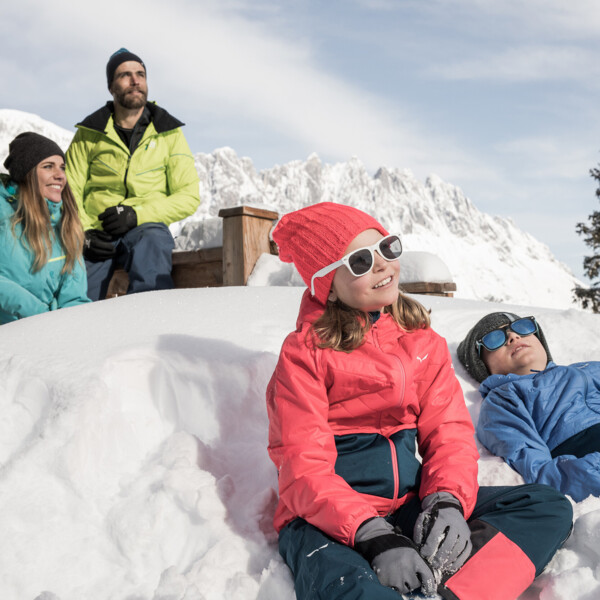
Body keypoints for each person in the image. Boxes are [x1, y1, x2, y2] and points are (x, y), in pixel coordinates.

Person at [266, 202, 572, 600]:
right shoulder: (304, 355)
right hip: (325, 519)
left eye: (387, 248)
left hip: (409, 504)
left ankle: (456, 592)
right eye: (360, 261)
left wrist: (445, 502)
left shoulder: (422, 341)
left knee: (545, 507)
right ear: (327, 283)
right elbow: (301, 467)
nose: (382, 265)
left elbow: (449, 433)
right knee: (352, 586)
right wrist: (371, 534)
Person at [65, 48, 201, 301]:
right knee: (76, 298)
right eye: (125, 75)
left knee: (151, 244)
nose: (135, 80)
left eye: (141, 74)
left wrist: (137, 215)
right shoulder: (89, 133)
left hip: (145, 228)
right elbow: (69, 191)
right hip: (97, 233)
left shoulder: (168, 133)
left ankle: (148, 328)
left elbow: (188, 196)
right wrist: (83, 233)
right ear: (111, 86)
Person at [457, 311, 600, 503]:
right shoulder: (502, 400)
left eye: (522, 328)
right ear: (482, 365)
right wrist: (592, 470)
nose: (513, 336)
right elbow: (540, 471)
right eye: (494, 338)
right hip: (584, 450)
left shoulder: (588, 368)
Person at [0, 132, 91, 324]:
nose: (60, 176)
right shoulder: (4, 215)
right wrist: (39, 314)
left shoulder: (67, 224)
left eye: (62, 168)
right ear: (27, 174)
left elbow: (74, 298)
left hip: (45, 333)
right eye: (48, 167)